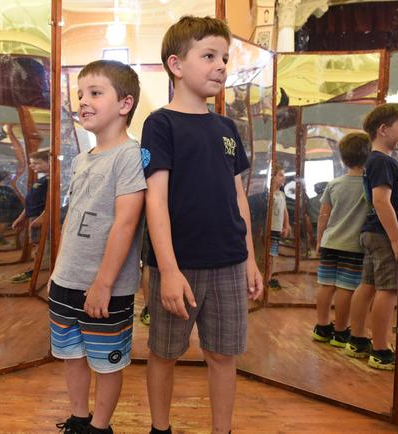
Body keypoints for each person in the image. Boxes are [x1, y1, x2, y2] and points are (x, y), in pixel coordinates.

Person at [141, 16, 263, 434]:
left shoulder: (227, 128)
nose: (220, 65)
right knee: (164, 353)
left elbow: (238, 197)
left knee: (223, 355)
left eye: (225, 57)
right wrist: (169, 270)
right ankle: (160, 427)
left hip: (229, 261)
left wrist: (250, 259)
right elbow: (154, 200)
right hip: (178, 266)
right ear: (176, 64)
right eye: (209, 55)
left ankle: (221, 430)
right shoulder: (160, 124)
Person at [50, 59, 145, 434]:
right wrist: (57, 271)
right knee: (71, 355)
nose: (83, 102)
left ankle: (100, 426)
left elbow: (126, 222)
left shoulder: (130, 156)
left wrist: (103, 283)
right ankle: (78, 418)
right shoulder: (78, 160)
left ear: (125, 104)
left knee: (107, 361)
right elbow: (72, 220)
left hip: (107, 287)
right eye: (80, 94)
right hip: (66, 281)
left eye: (95, 93)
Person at [345, 103, 398, 371]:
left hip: (371, 232)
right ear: (384, 129)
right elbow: (381, 201)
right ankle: (381, 349)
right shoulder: (384, 160)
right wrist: (397, 239)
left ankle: (357, 339)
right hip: (381, 233)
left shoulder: (373, 160)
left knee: (367, 285)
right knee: (388, 289)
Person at [311, 132, 370, 347]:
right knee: (346, 287)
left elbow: (323, 216)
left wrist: (319, 241)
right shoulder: (369, 185)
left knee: (326, 285)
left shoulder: (333, 184)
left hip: (329, 242)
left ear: (342, 158)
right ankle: (340, 331)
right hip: (352, 246)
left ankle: (322, 326)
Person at [11, 150, 50, 283]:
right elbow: (31, 201)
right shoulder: (42, 179)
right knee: (36, 245)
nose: (32, 166)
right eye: (31, 163)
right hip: (33, 217)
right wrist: (22, 217)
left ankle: (38, 272)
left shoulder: (53, 180)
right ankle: (36, 269)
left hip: (40, 219)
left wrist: (43, 217)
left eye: (37, 163)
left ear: (50, 162)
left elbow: (54, 201)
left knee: (41, 246)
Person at [269, 163, 290, 289]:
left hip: (276, 229)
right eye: (281, 175)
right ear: (273, 177)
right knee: (270, 256)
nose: (283, 178)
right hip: (269, 229)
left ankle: (269, 278)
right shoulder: (268, 194)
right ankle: (266, 278)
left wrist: (286, 225)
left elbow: (285, 211)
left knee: (273, 255)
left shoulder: (281, 194)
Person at [0, 170, 21, 246]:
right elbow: (13, 198)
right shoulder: (8, 189)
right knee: (3, 222)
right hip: (5, 208)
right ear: (4, 178)